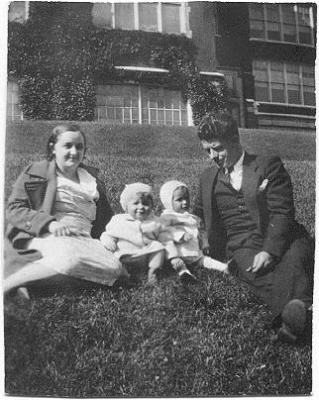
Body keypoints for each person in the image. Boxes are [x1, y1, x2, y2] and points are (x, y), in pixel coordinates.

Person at [194, 111, 314, 343]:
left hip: (281, 235)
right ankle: (300, 316)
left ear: (234, 140)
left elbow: (282, 212)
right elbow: (196, 215)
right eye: (207, 150)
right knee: (257, 271)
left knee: (295, 258)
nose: (212, 156)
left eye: (218, 148)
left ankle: (297, 317)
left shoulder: (267, 165)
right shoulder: (208, 178)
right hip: (242, 243)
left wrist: (270, 250)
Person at [4, 124, 128, 300]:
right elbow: (14, 209)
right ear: (53, 147)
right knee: (70, 260)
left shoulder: (92, 181)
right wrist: (50, 224)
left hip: (84, 240)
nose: (74, 151)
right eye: (67, 146)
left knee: (116, 270)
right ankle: (9, 284)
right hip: (47, 235)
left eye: (79, 146)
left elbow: (107, 220)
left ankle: (32, 282)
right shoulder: (37, 172)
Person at [100, 183, 166, 285]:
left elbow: (163, 235)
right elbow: (107, 234)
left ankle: (153, 270)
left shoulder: (155, 221)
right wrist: (108, 241)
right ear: (126, 206)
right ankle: (124, 276)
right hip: (125, 255)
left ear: (152, 206)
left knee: (158, 247)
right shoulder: (119, 220)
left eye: (145, 203)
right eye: (135, 203)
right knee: (114, 261)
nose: (141, 207)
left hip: (146, 255)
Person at [159, 180, 229, 275]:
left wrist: (205, 243)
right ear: (168, 202)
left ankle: (225, 267)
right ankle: (184, 273)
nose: (185, 202)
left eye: (187, 198)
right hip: (179, 252)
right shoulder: (167, 217)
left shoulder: (192, 217)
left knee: (205, 260)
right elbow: (166, 231)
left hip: (194, 251)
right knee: (178, 262)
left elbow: (201, 231)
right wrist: (180, 236)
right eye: (179, 200)